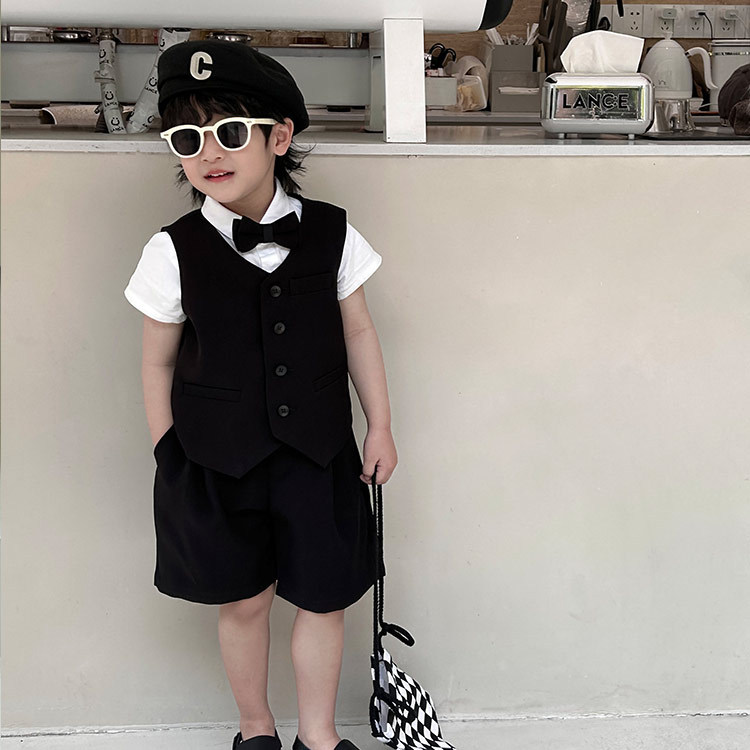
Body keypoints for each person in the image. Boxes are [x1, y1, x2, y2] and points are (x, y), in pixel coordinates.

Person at [123, 39, 398, 750]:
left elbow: (359, 332)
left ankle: (319, 737)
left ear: (279, 137)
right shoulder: (172, 250)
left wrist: (379, 425)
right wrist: (168, 450)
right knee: (243, 601)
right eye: (188, 138)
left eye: (229, 131)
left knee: (323, 598)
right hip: (218, 461)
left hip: (318, 453)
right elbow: (156, 362)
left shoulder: (333, 233)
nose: (209, 152)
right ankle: (256, 730)